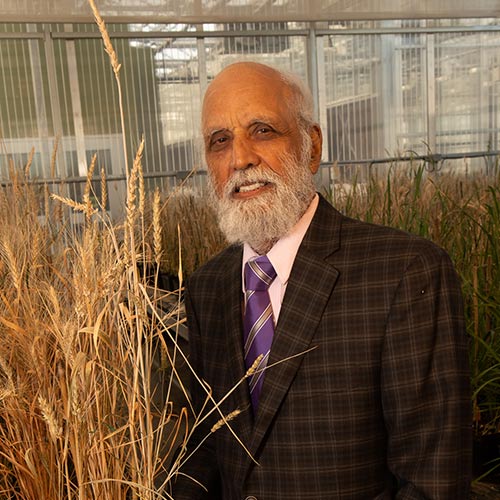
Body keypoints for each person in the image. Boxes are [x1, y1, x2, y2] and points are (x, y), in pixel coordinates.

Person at [171, 61, 471, 499]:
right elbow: (200, 460)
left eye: (262, 131)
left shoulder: (404, 272)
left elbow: (433, 482)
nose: (240, 159)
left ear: (312, 146)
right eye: (220, 141)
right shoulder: (205, 288)